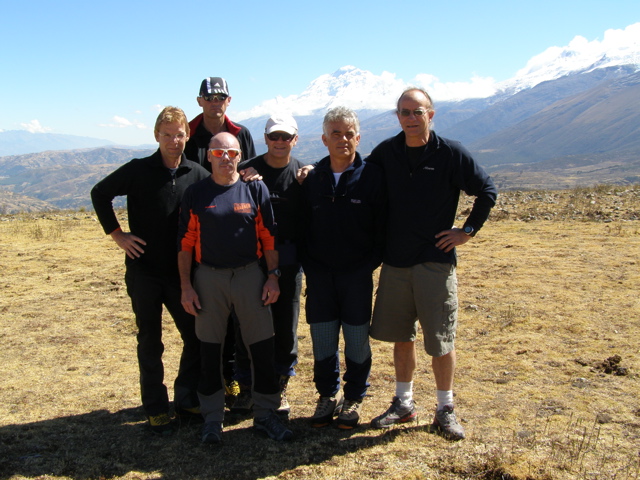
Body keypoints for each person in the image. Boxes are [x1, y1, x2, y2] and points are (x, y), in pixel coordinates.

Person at [368, 88, 498, 440]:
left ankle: (445, 408)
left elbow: (486, 191)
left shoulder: (450, 153)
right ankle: (404, 402)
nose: (411, 118)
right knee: (401, 337)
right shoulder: (387, 152)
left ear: (431, 114)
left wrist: (466, 231)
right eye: (404, 112)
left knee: (440, 339)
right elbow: (354, 173)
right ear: (397, 116)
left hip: (435, 263)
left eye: (417, 112)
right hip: (395, 262)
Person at [91, 106, 209, 436]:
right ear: (156, 135)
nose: (174, 141)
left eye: (179, 134)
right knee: (150, 341)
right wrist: (117, 234)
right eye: (167, 134)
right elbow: (100, 193)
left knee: (195, 337)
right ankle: (156, 407)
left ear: (188, 135)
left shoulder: (197, 175)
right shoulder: (138, 170)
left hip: (183, 275)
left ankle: (186, 399)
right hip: (144, 272)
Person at [177, 132, 293, 444]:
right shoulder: (197, 194)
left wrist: (272, 276)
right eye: (218, 152)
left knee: (262, 348)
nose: (225, 158)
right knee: (210, 350)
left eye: (231, 152)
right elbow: (185, 244)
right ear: (208, 157)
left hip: (250, 276)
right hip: (208, 278)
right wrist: (186, 287)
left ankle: (266, 414)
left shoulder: (255, 188)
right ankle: (212, 418)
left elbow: (269, 236)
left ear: (240, 156)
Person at [300, 107, 386, 429]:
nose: (343, 139)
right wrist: (311, 266)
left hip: (357, 277)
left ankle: (353, 398)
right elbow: (301, 227)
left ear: (358, 138)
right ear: (324, 139)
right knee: (322, 340)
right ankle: (326, 396)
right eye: (335, 133)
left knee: (356, 340)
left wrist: (367, 266)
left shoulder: (373, 177)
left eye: (349, 133)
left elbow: (382, 228)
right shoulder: (312, 180)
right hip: (320, 277)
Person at [233, 114, 305, 416]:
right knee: (245, 323)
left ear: (295, 139)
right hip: (251, 259)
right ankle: (247, 386)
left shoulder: (303, 173)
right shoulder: (246, 170)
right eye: (274, 136)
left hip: (288, 259)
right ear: (265, 138)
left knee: (285, 325)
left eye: (285, 137)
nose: (279, 142)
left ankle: (279, 385)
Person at [184, 77, 256, 168]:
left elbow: (252, 168)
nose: (215, 102)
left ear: (228, 100)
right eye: (209, 97)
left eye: (221, 97)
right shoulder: (186, 135)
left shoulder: (241, 134)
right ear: (199, 101)